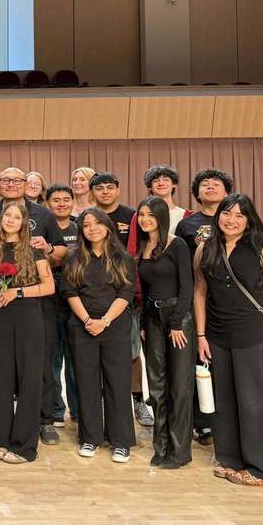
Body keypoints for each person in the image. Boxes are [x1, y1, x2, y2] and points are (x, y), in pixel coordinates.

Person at [194, 193, 263, 486]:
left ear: (249, 220)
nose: (232, 220)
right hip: (217, 334)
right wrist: (201, 334)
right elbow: (200, 292)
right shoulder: (205, 248)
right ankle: (231, 460)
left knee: (256, 403)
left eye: (240, 215)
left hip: (253, 333)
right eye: (227, 213)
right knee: (224, 401)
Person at [0, 201, 55, 463]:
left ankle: (24, 446)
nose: (10, 220)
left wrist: (18, 292)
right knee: (0, 380)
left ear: (24, 222)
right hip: (0, 319)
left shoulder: (33, 249)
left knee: (28, 381)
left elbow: (49, 286)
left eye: (16, 216)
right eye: (7, 215)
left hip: (28, 318)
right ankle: (2, 439)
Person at [62, 207, 137, 463]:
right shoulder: (74, 256)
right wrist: (87, 321)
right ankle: (90, 437)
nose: (91, 229)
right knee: (87, 382)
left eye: (96, 223)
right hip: (82, 327)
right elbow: (70, 292)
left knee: (118, 382)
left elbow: (126, 293)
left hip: (114, 326)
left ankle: (121, 441)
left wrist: (104, 321)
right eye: (86, 225)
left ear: (107, 226)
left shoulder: (122, 257)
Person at [135, 196, 194, 469]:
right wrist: (144, 324)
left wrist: (177, 323)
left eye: (150, 214)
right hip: (153, 320)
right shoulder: (143, 247)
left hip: (177, 319)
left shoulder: (177, 244)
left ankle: (179, 451)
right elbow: (145, 290)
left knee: (179, 386)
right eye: (141, 215)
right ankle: (160, 446)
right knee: (157, 386)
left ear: (161, 216)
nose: (145, 219)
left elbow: (187, 287)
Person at [175, 167, 233, 445]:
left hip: (230, 302)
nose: (210, 187)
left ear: (227, 191)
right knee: (201, 362)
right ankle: (203, 422)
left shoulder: (235, 220)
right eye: (205, 184)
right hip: (197, 299)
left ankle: (229, 420)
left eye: (216, 184)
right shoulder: (187, 224)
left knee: (228, 363)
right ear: (196, 193)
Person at [91, 171, 149, 427]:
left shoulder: (132, 216)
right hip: (96, 293)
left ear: (118, 189)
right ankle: (105, 400)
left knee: (132, 351)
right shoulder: (89, 217)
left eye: (109, 187)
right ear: (92, 192)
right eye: (99, 188)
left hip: (126, 293)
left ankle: (137, 400)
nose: (105, 192)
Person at [45, 184, 79, 428]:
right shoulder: (43, 226)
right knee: (52, 357)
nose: (61, 203)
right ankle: (56, 408)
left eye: (66, 199)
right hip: (50, 296)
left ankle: (78, 409)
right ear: (48, 204)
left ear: (73, 202)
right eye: (56, 200)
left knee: (76, 358)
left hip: (78, 296)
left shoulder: (81, 226)